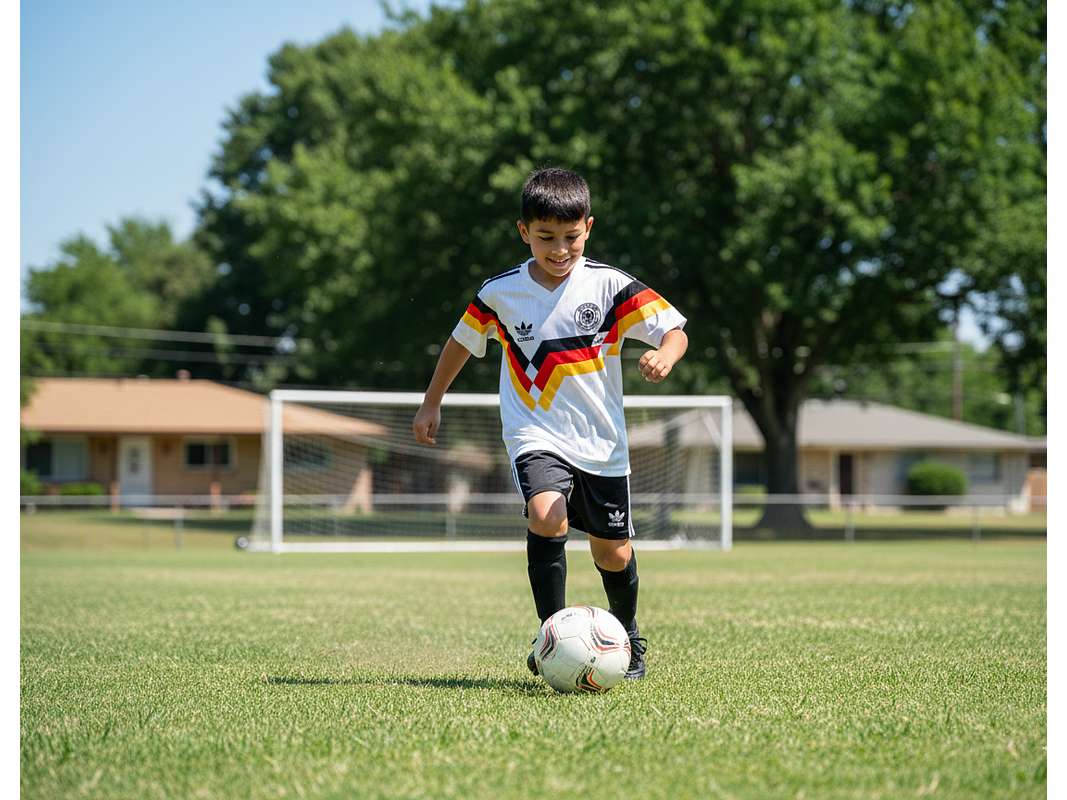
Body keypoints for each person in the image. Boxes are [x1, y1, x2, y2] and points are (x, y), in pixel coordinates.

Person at [412, 167, 688, 680]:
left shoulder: (608, 286)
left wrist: (666, 356)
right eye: (545, 238)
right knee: (547, 515)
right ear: (524, 232)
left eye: (570, 237)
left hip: (602, 445)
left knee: (613, 551)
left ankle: (628, 637)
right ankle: (551, 638)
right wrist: (432, 401)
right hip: (534, 433)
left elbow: (673, 329)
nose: (559, 249)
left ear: (589, 227)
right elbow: (458, 342)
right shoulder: (501, 293)